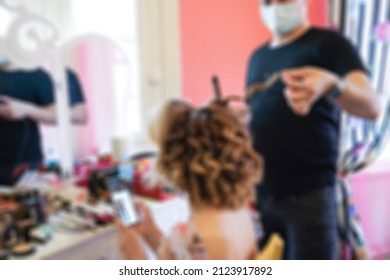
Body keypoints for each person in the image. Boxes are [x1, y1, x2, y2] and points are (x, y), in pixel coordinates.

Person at [246, 0, 380, 260]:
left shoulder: (329, 44)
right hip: (264, 196)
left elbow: (371, 106)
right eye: (267, 2)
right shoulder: (257, 57)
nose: (274, 7)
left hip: (309, 196)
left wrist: (333, 84)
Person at [118, 98, 263, 260]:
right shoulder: (241, 215)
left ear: (174, 165)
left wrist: (136, 256)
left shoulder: (194, 238)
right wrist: (150, 230)